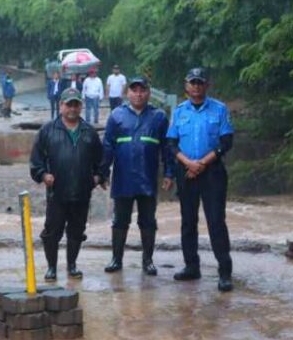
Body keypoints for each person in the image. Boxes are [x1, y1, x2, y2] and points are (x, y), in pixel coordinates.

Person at [166, 68, 235, 292]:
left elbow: (226, 142)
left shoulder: (219, 109)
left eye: (200, 83)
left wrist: (202, 163)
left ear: (207, 85)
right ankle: (191, 266)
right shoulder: (179, 111)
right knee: (188, 221)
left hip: (212, 172)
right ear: (186, 86)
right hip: (186, 173)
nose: (196, 87)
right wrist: (188, 164)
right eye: (192, 83)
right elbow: (171, 144)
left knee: (216, 222)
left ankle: (224, 272)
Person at [30, 88, 105, 281]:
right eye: (68, 104)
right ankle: (52, 267)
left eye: (76, 104)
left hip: (81, 192)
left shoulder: (89, 132)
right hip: (57, 193)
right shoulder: (48, 131)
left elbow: (101, 161)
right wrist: (43, 175)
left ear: (81, 106)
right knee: (52, 232)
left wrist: (98, 177)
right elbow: (35, 160)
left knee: (76, 231)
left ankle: (72, 265)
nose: (72, 108)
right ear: (61, 106)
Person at [100, 77, 173, 276]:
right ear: (128, 93)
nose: (138, 94)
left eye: (142, 90)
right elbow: (108, 146)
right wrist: (103, 172)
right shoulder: (117, 115)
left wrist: (168, 172)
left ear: (148, 93)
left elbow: (167, 148)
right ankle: (116, 259)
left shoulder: (159, 117)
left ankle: (148, 261)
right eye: (134, 90)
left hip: (148, 177)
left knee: (148, 221)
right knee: (120, 220)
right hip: (123, 177)